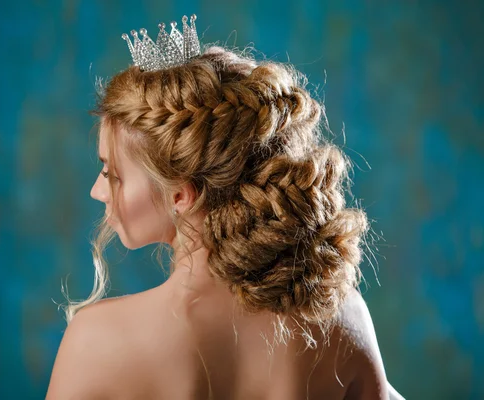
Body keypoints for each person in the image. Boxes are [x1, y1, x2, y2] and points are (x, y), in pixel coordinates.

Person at [46, 15, 404, 400]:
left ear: (181, 195)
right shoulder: (339, 313)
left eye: (111, 173)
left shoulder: (97, 340)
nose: (97, 191)